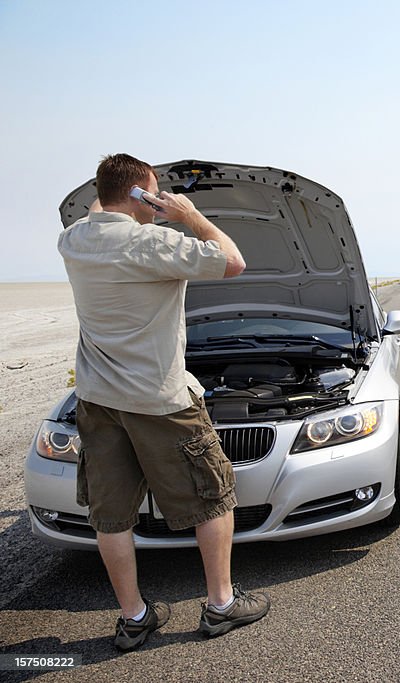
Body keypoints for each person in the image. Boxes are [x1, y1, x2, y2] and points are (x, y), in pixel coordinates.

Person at [58, 154, 270, 651]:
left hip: (97, 401)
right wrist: (187, 214)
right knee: (211, 496)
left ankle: (134, 618)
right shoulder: (152, 243)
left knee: (111, 515)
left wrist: (131, 195)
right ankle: (221, 605)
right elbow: (234, 261)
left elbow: (101, 207)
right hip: (160, 401)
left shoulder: (73, 241)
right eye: (150, 195)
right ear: (140, 197)